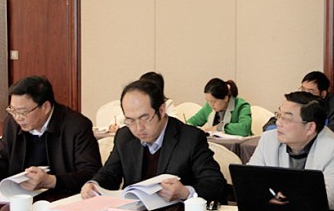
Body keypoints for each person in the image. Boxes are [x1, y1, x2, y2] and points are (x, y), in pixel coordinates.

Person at [81, 79, 226, 203]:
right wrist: (94, 184)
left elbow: (215, 184)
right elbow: (110, 173)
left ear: (161, 111)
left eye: (145, 118)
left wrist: (185, 192)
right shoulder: (124, 136)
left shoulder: (190, 138)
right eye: (130, 120)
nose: (138, 128)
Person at [0, 75, 102, 193]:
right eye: (13, 110)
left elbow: (90, 172)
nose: (18, 118)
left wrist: (52, 181)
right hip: (19, 196)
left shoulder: (76, 126)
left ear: (46, 107)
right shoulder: (12, 123)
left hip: (62, 199)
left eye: (23, 112)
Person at [249, 91, 334, 209]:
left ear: (310, 127)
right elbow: (249, 181)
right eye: (278, 115)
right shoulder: (268, 139)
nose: (278, 123)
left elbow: (327, 199)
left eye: (286, 119)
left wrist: (284, 196)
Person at [263, 71, 334, 141]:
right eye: (303, 89)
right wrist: (279, 130)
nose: (305, 95)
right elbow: (269, 125)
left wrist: (298, 133)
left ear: (323, 94)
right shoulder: (297, 102)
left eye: (310, 92)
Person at [108, 71, 178, 132]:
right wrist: (113, 126)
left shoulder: (167, 103)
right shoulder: (135, 104)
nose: (139, 128)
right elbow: (118, 120)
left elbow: (174, 122)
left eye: (145, 118)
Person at [186, 78, 252, 137]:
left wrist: (219, 127)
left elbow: (244, 129)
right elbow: (192, 122)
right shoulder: (208, 106)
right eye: (208, 101)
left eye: (214, 101)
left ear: (226, 98)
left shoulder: (241, 106)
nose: (211, 105)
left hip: (240, 145)